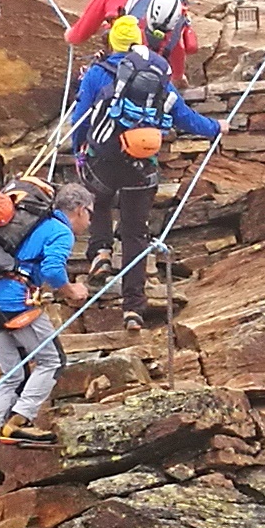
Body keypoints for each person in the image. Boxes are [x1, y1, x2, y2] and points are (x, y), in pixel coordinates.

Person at [61, 23, 221, 329]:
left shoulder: (97, 73)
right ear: (138, 43)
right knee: (136, 234)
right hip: (141, 165)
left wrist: (79, 146)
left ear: (110, 42)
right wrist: (216, 128)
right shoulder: (157, 75)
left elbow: (80, 116)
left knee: (98, 203)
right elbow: (184, 117)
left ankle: (101, 252)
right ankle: (132, 308)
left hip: (102, 160)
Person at [0, 180, 80, 452]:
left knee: (12, 374)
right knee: (52, 361)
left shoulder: (18, 230)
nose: (89, 221)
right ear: (80, 210)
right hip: (14, 299)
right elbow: (53, 271)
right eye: (90, 214)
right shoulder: (59, 230)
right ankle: (19, 420)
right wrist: (72, 290)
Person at [67, 0, 201, 85]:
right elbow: (176, 42)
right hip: (154, 66)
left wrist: (69, 35)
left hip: (120, 58)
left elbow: (79, 35)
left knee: (82, 81)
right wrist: (178, 76)